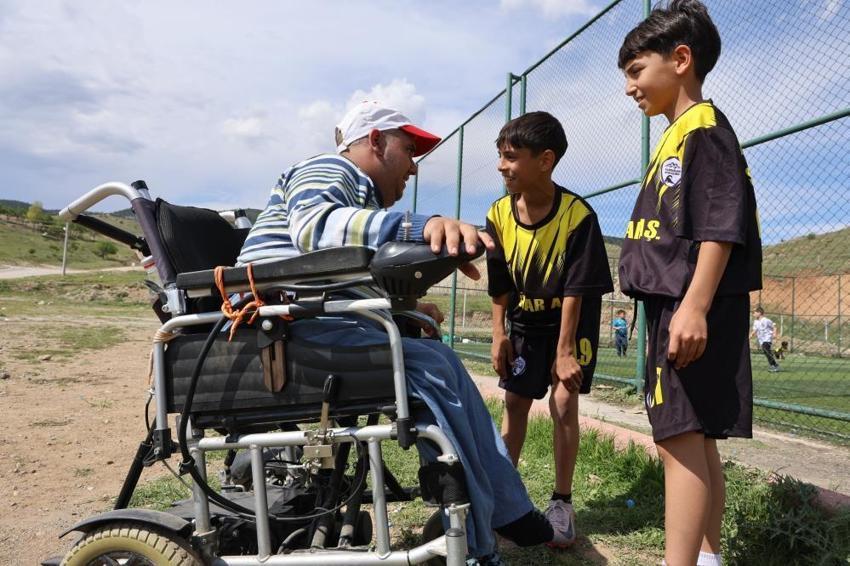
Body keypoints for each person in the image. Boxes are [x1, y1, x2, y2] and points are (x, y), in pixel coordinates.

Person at [237, 101, 569, 564]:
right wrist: (421, 226)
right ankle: (487, 529)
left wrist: (403, 308)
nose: (414, 168)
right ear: (375, 141)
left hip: (302, 328)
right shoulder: (329, 168)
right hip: (281, 336)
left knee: (437, 360)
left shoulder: (357, 196)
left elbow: (328, 273)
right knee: (434, 367)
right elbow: (316, 228)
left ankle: (498, 507)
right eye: (409, 151)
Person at [616, 1, 762, 565]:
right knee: (694, 440)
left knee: (677, 442)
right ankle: (707, 557)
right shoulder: (678, 133)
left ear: (680, 60)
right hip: (677, 305)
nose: (629, 87)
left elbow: (721, 227)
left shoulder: (704, 129)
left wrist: (694, 306)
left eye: (636, 71)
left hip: (689, 305)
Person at [486, 111, 613, 548]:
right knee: (515, 400)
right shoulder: (499, 213)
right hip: (524, 322)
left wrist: (564, 352)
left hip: (569, 325)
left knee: (562, 402)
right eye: (500, 156)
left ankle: (562, 503)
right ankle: (505, 502)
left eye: (510, 157)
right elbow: (500, 284)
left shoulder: (578, 216)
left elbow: (577, 290)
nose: (501, 166)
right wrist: (499, 334)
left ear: (545, 160)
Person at [751, 307, 780, 372]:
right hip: (761, 340)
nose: (753, 314)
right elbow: (755, 330)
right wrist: (751, 335)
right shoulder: (755, 322)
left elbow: (774, 327)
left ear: (759, 313)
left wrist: (774, 334)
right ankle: (774, 365)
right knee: (766, 352)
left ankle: (774, 366)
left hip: (767, 338)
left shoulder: (766, 320)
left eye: (754, 312)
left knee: (766, 349)